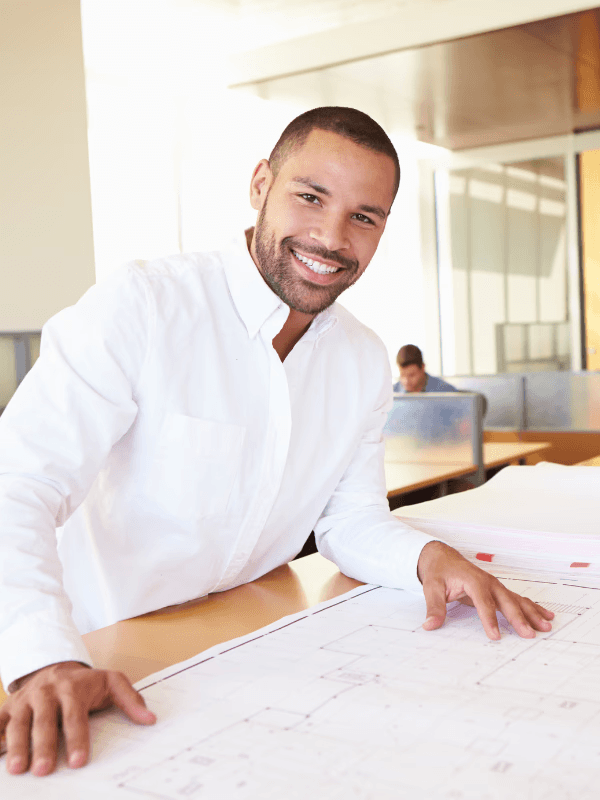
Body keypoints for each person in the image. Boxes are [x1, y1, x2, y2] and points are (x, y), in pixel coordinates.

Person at [0, 107, 553, 777]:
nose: (331, 236)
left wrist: (428, 558)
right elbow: (21, 483)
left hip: (243, 658)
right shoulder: (143, 306)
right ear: (261, 183)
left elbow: (348, 523)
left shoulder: (361, 359)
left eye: (364, 216)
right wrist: (44, 656)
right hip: (93, 652)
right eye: (310, 197)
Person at [393, 343, 457, 393]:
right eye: (402, 375)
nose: (406, 381)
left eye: (411, 375)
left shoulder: (447, 393)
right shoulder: (392, 394)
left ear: (423, 368)